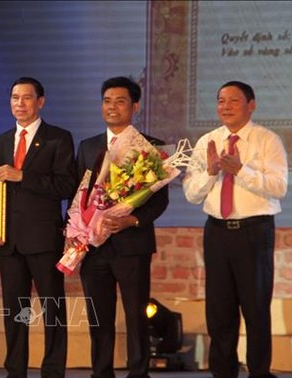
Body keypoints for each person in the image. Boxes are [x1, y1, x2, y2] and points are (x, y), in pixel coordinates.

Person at [183, 81, 287, 378]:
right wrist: (212, 171)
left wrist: (241, 170)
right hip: (216, 231)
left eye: (233, 101)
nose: (225, 106)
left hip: (254, 231)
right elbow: (192, 193)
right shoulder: (207, 142)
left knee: (255, 308)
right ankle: (223, 372)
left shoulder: (267, 140)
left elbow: (279, 187)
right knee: (219, 310)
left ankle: (259, 372)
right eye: (220, 101)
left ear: (251, 105)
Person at [76, 76, 168, 378]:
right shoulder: (88, 146)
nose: (112, 107)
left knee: (135, 315)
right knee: (98, 316)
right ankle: (101, 372)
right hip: (93, 247)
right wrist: (75, 235)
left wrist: (132, 219)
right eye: (107, 101)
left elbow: (159, 201)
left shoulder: (149, 146)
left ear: (135, 106)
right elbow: (79, 195)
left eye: (120, 101)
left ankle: (138, 372)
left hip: (132, 244)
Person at [0, 77, 76, 378]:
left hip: (43, 239)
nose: (20, 104)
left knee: (52, 309)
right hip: (8, 241)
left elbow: (66, 185)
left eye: (27, 98)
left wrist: (22, 176)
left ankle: (52, 370)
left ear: (41, 102)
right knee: (14, 311)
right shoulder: (1, 140)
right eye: (15, 98)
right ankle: (15, 369)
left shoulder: (58, 138)